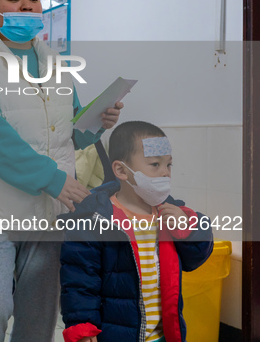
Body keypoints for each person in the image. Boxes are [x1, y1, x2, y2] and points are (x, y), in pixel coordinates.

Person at [0, 0, 122, 341]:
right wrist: (54, 179)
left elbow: (66, 133)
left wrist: (98, 122)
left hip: (47, 211)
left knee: (38, 319)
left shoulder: (58, 65)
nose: (26, 5)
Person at [59, 121, 214, 342]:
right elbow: (79, 280)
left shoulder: (170, 212)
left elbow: (195, 258)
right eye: (154, 165)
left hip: (164, 334)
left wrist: (187, 226)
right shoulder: (95, 219)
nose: (165, 173)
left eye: (168, 165)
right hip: (115, 334)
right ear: (121, 170)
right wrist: (83, 327)